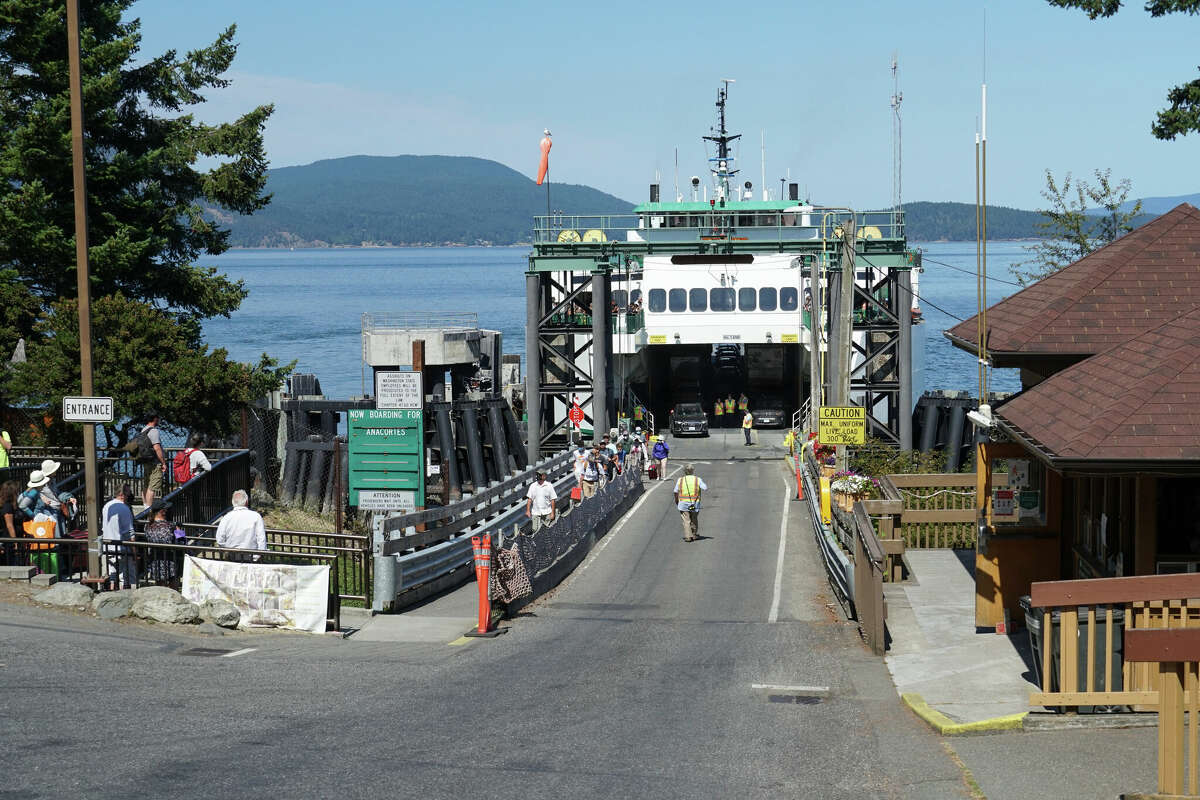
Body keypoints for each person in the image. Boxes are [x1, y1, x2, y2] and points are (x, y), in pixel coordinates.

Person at [102, 484, 136, 590]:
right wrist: (134, 552)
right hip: (122, 548)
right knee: (125, 577)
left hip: (108, 546)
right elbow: (130, 533)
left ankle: (111, 592)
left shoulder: (107, 506)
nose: (130, 496)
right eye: (128, 494)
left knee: (112, 575)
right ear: (122, 495)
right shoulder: (124, 508)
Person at [215, 489, 267, 559]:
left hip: (232, 557)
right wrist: (259, 556)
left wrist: (227, 548)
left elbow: (219, 539)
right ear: (246, 502)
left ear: (233, 502)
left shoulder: (226, 517)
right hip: (252, 557)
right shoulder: (256, 516)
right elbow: (261, 539)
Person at [138, 412, 169, 509]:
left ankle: (144, 507)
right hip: (155, 463)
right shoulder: (154, 431)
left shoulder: (144, 430)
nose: (159, 420)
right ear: (155, 419)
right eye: (158, 418)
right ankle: (149, 511)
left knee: (146, 485)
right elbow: (157, 448)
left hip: (146, 461)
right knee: (152, 487)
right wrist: (163, 463)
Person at [143, 499, 177, 584]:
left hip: (155, 559)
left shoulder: (147, 526)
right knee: (173, 583)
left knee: (159, 584)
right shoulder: (169, 526)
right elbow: (183, 540)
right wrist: (178, 529)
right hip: (169, 560)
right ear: (163, 511)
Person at [673, 464, 708, 542]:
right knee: (694, 519)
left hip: (683, 503)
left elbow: (675, 491)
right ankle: (694, 534)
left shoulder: (680, 480)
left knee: (686, 520)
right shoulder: (697, 479)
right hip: (694, 503)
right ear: (693, 471)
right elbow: (705, 488)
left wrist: (676, 500)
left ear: (685, 471)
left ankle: (688, 536)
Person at [0, 480, 20, 566]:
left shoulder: (9, 505)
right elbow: (9, 525)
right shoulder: (7, 506)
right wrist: (15, 543)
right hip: (9, 542)